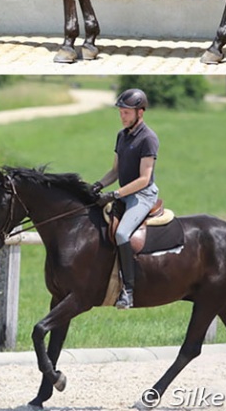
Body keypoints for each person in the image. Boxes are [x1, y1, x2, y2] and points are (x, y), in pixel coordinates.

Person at [92, 88, 159, 309]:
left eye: (126, 112)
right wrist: (99, 185)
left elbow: (143, 179)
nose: (122, 116)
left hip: (142, 196)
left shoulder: (148, 138)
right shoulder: (121, 135)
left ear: (140, 112)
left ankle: (128, 291)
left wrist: (115, 194)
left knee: (121, 233)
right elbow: (115, 171)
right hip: (124, 193)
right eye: (121, 112)